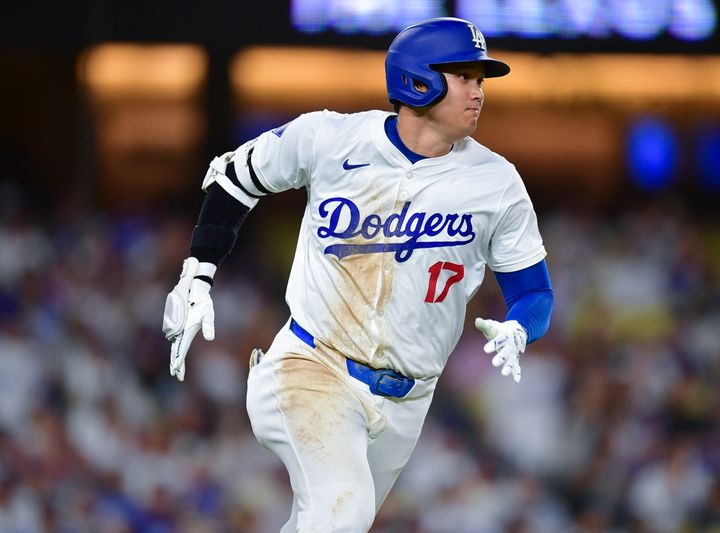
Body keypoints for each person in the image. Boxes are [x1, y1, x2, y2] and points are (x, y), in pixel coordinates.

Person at [162, 17, 554, 532]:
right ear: (419, 79)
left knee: (324, 521)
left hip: (407, 400)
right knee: (343, 511)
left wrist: (521, 325)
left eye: (480, 80)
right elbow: (235, 178)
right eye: (464, 76)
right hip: (312, 364)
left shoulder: (496, 182)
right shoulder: (331, 137)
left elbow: (534, 291)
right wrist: (198, 271)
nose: (478, 92)